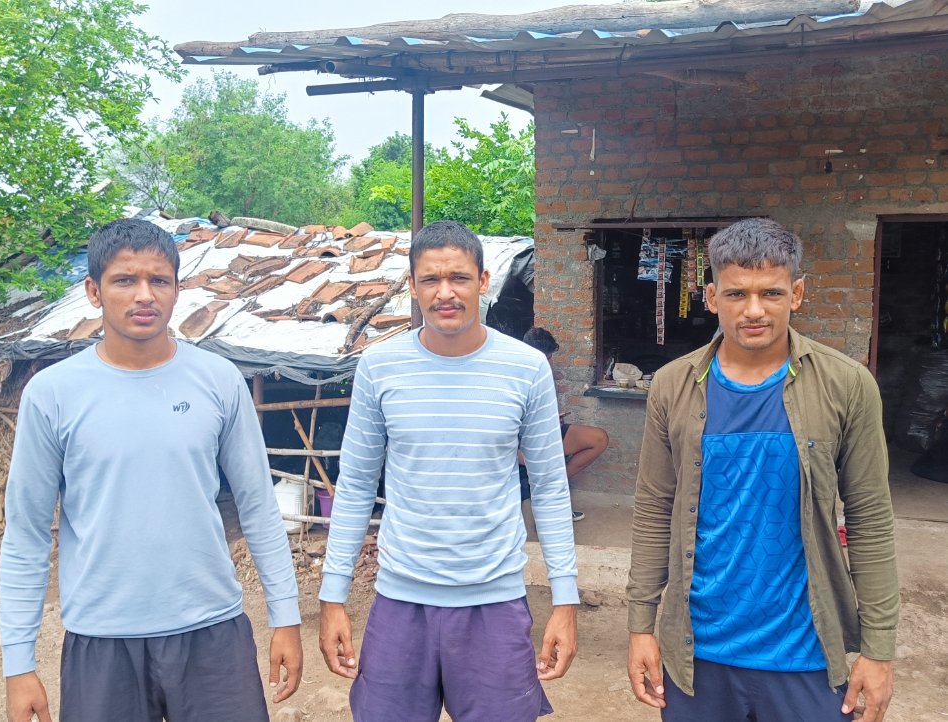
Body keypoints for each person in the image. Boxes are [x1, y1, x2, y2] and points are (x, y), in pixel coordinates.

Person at [0, 219, 303, 722]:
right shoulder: (53, 394)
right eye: (125, 280)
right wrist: (18, 662)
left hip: (212, 633)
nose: (144, 295)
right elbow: (27, 534)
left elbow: (258, 507)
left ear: (177, 290)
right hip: (101, 639)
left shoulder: (218, 381)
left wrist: (285, 616)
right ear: (93, 291)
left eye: (159, 280)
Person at [626, 218, 899, 722]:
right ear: (711, 297)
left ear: (797, 293)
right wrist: (641, 624)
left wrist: (878, 649)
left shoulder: (847, 385)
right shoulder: (672, 386)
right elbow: (653, 511)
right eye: (736, 294)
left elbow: (870, 520)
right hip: (699, 654)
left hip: (806, 654)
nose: (754, 311)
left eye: (770, 293)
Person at [318, 220, 579, 721]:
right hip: (399, 597)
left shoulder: (526, 368)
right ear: (412, 286)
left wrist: (565, 601)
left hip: (495, 600)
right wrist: (333, 595)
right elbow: (353, 486)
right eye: (430, 280)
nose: (445, 293)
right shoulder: (380, 366)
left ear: (483, 282)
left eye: (459, 278)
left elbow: (548, 487)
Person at [521, 326, 610, 522]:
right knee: (543, 461)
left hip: (547, 431)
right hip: (524, 443)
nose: (550, 361)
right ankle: (548, 499)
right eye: (547, 356)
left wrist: (554, 417)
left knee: (598, 438)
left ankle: (553, 490)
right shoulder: (515, 377)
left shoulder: (542, 372)